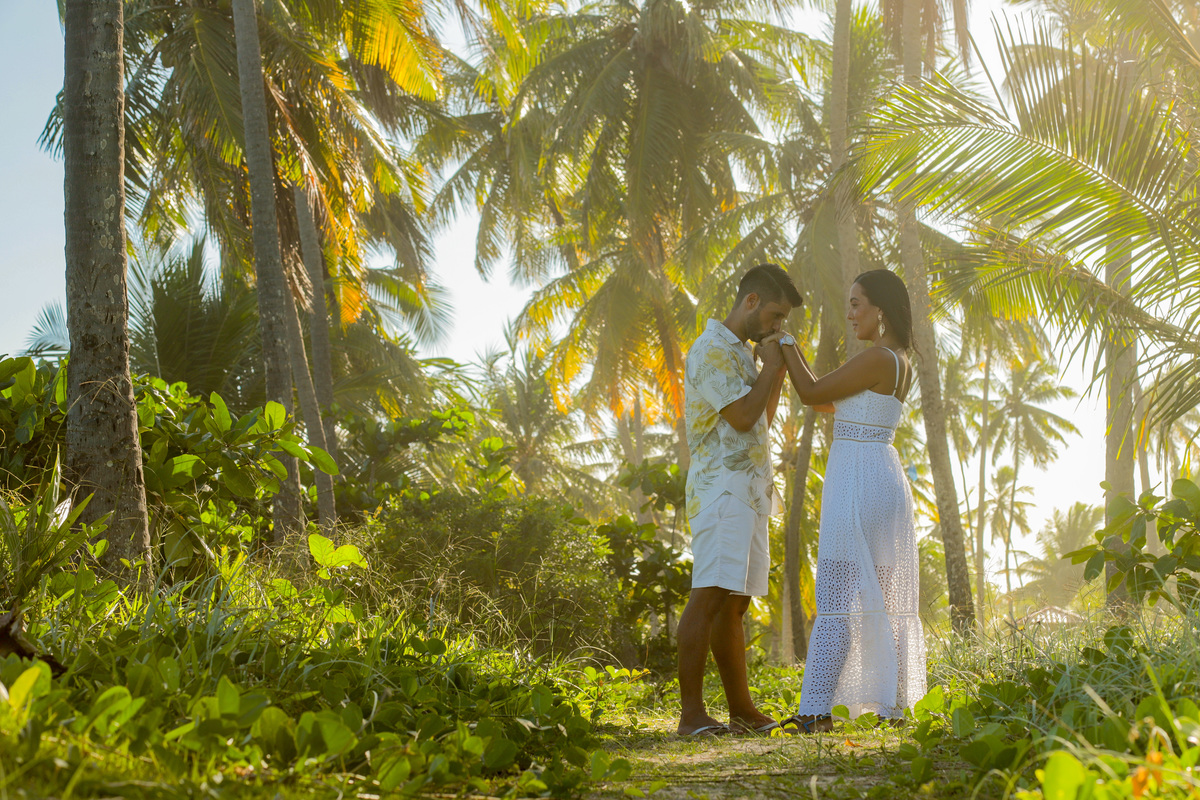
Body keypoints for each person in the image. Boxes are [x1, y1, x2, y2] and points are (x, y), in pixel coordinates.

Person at [774, 269, 927, 733]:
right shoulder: (898, 359)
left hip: (859, 480)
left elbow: (811, 392)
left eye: (857, 303)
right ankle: (891, 706)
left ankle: (815, 712)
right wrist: (799, 362)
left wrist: (785, 345)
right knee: (878, 598)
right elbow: (832, 402)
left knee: (837, 595)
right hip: (881, 478)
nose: (851, 312)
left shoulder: (879, 356)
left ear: (880, 309)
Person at [676, 263, 803, 737]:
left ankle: (741, 710)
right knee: (708, 595)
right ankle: (690, 714)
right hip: (721, 489)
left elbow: (761, 417)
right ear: (751, 302)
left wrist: (775, 375)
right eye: (774, 315)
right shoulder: (711, 349)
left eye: (782, 320)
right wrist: (771, 365)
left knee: (734, 604)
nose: (776, 327)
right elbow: (743, 418)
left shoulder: (740, 355)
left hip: (749, 491)